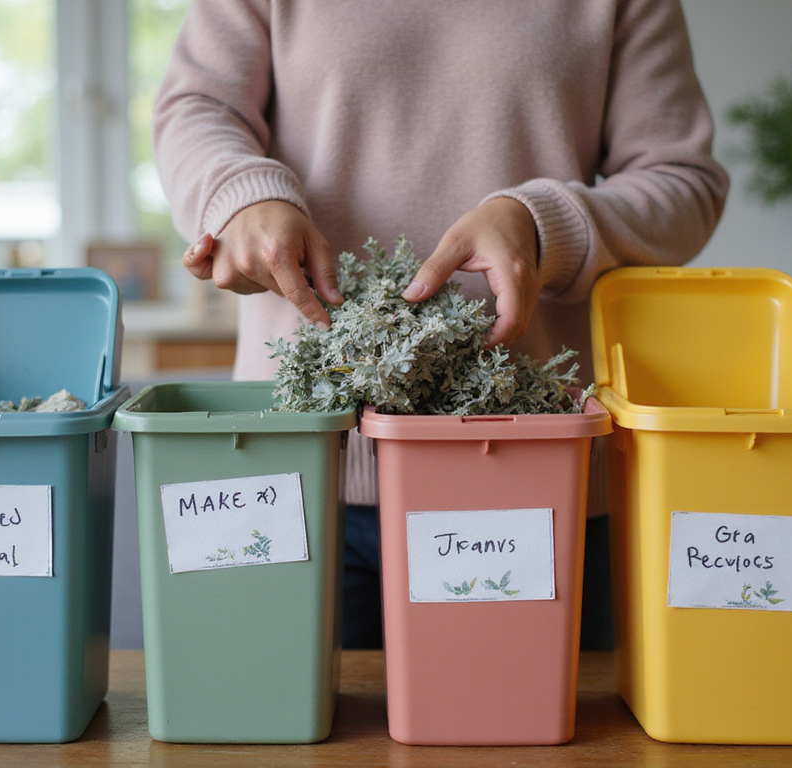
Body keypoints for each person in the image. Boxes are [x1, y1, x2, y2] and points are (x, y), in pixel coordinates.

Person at [153, 0, 728, 649]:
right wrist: (242, 194)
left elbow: (683, 181)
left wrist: (541, 225)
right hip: (299, 467)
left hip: (535, 472)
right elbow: (195, 109)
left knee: (536, 716)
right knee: (278, 713)